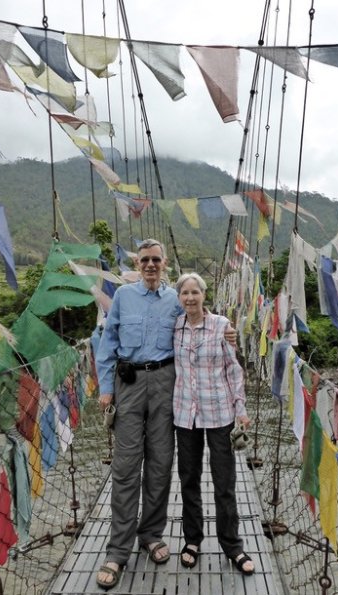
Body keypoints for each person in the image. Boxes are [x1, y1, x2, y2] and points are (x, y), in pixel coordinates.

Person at [95, 239, 236, 590]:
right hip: (127, 383)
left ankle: (151, 534)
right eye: (144, 260)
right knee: (127, 466)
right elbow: (107, 340)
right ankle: (117, 551)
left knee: (160, 463)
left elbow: (200, 317)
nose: (150, 265)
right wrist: (105, 386)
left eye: (156, 259)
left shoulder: (177, 297)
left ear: (165, 262)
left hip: (167, 382)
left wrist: (228, 329)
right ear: (137, 263)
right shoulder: (124, 297)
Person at [173, 272, 255, 576]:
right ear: (179, 298)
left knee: (224, 482)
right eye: (185, 293)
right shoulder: (175, 326)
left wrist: (241, 408)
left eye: (195, 292)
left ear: (203, 295)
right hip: (185, 414)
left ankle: (232, 545)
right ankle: (192, 540)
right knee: (188, 479)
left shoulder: (222, 326)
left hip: (220, 413)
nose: (190, 298)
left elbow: (234, 371)